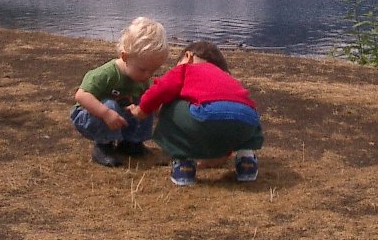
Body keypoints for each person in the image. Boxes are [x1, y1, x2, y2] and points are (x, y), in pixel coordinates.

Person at [128, 40, 263, 186]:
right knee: (243, 112)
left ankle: (184, 165)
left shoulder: (186, 69)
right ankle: (246, 161)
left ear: (188, 56)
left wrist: (142, 109)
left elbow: (161, 89)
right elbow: (225, 123)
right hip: (248, 121)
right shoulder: (227, 78)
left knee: (171, 104)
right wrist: (218, 156)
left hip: (206, 116)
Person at [70, 16, 169, 167]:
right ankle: (103, 146)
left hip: (119, 115)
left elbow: (146, 101)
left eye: (153, 70)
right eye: (143, 69)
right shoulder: (106, 74)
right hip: (89, 116)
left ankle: (131, 143)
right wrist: (106, 113)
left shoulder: (141, 78)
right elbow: (81, 95)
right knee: (110, 105)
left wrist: (151, 109)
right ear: (125, 57)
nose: (148, 75)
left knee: (144, 103)